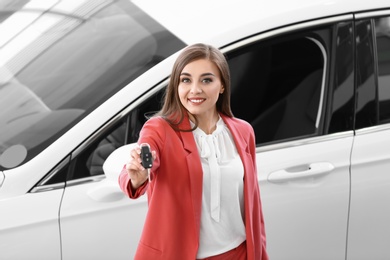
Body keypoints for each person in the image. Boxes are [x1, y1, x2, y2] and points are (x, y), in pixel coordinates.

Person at [118, 43, 268, 260]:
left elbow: (254, 207)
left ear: (222, 85)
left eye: (206, 80)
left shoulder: (243, 132)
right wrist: (137, 177)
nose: (195, 90)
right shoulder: (159, 129)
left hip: (240, 253)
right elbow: (142, 160)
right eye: (186, 80)